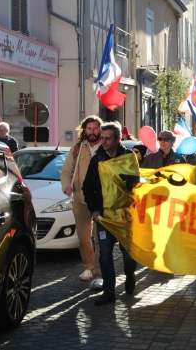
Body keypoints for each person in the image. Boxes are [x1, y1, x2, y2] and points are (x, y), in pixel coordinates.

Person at [82, 121, 138, 305]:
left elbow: (135, 185)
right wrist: (94, 210)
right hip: (104, 216)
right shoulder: (97, 159)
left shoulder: (129, 157)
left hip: (125, 216)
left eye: (107, 138)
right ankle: (109, 291)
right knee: (104, 254)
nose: (103, 142)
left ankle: (130, 276)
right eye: (102, 138)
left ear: (117, 138)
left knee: (128, 255)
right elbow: (87, 187)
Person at [60, 116, 104, 286]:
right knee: (83, 237)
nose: (92, 132)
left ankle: (100, 272)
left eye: (95, 128)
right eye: (89, 128)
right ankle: (89, 267)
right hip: (80, 199)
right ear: (84, 130)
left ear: (100, 130)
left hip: (100, 201)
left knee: (100, 238)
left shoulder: (105, 148)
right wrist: (66, 186)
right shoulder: (77, 148)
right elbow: (66, 172)